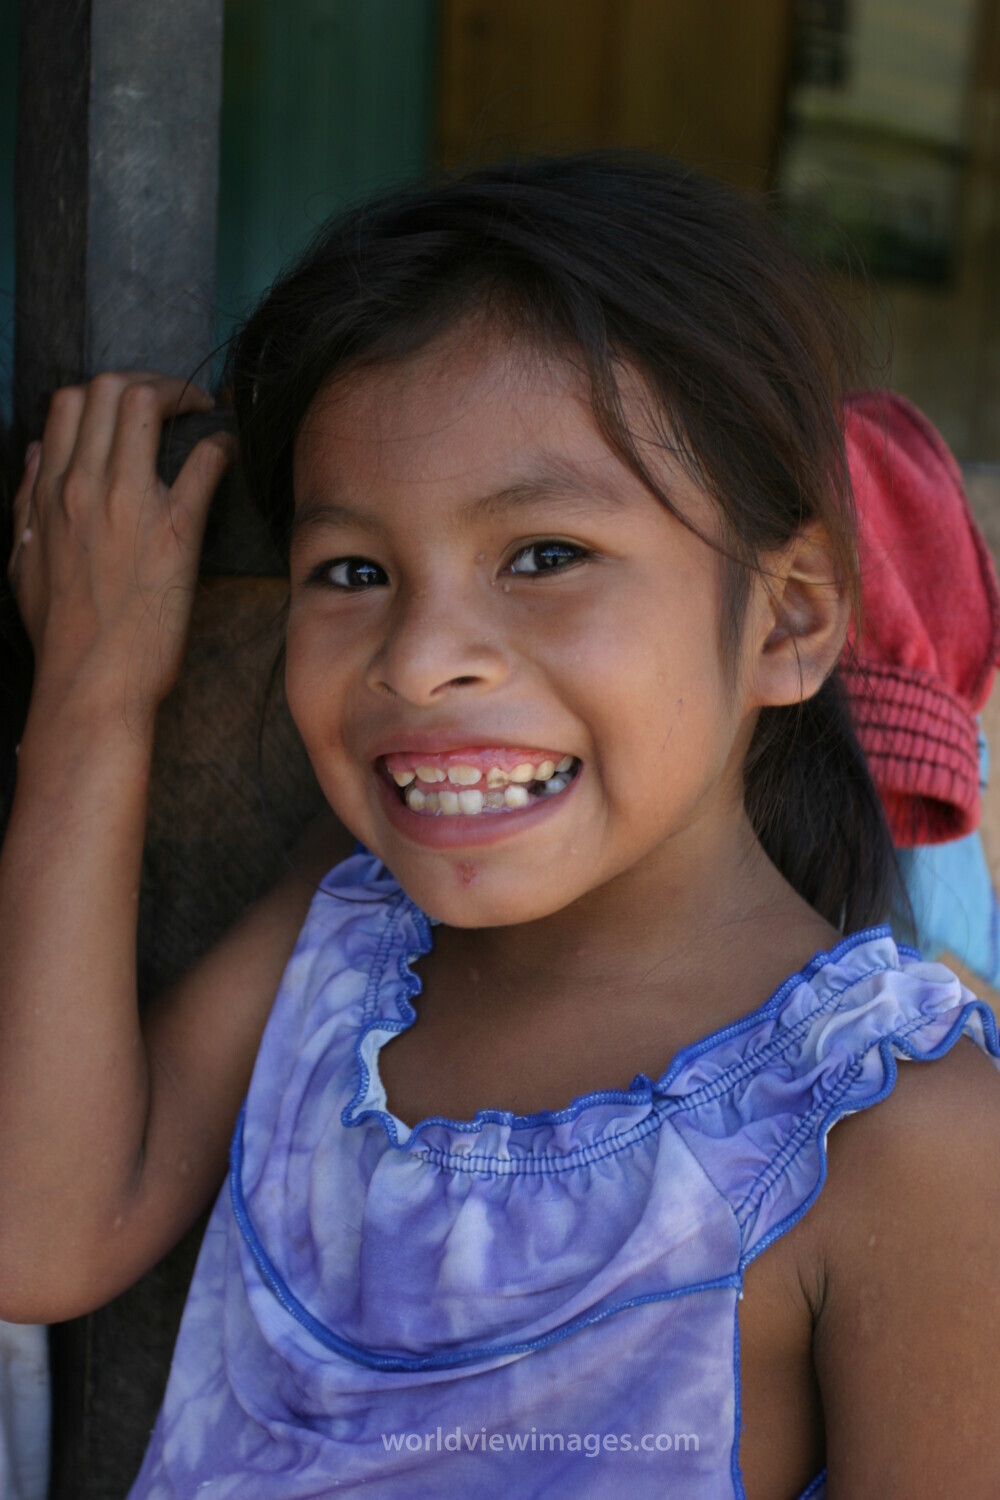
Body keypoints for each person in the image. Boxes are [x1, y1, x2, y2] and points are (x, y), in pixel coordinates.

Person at [2, 153, 999, 1500]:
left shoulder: (900, 1138)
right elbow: (42, 1228)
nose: (421, 659)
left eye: (543, 556)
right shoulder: (349, 931)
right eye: (353, 571)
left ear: (790, 614)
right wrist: (94, 692)